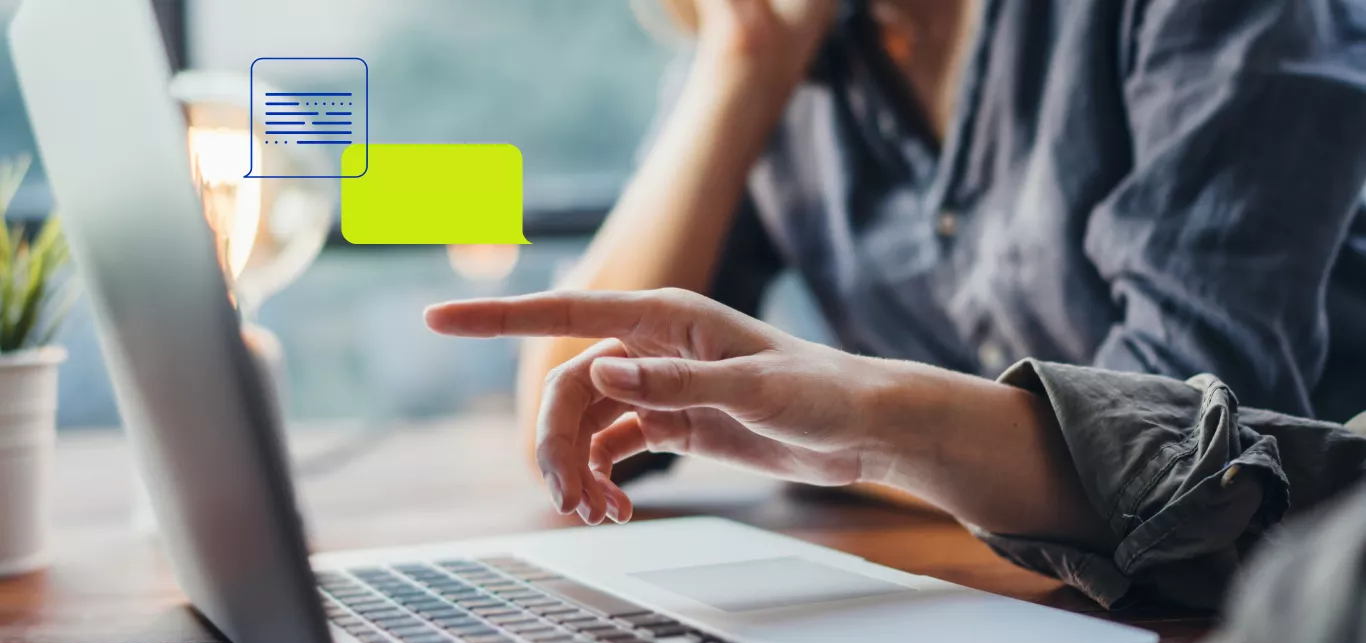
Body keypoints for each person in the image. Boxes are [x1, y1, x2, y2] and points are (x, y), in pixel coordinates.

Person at [518, 0, 1366, 492]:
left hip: (1295, 615)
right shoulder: (794, 45)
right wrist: (739, 60)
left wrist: (874, 429)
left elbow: (1185, 449)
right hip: (1017, 597)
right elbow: (577, 423)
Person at [427, 289, 1366, 610]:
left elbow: (1198, 453)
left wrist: (892, 428)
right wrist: (744, 63)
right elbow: (572, 402)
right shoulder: (817, 79)